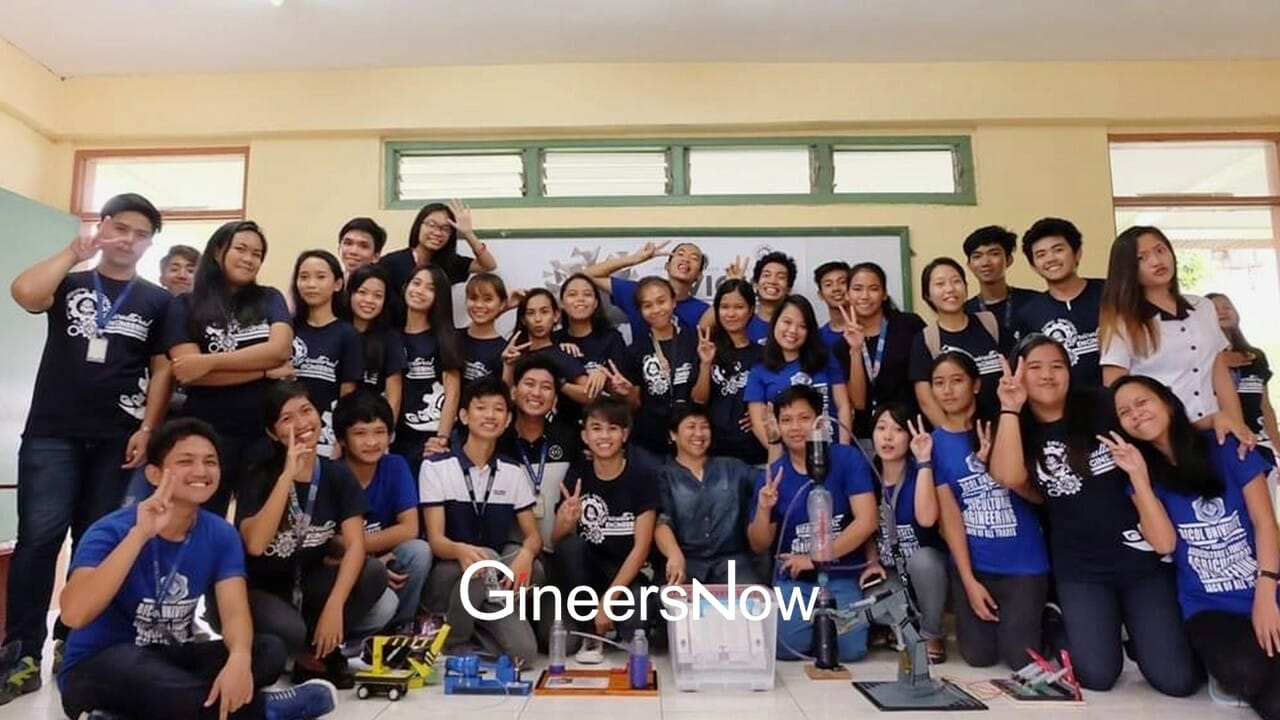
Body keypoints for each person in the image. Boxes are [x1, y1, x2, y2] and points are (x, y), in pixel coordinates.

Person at [2, 193, 174, 703]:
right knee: (38, 540)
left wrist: (149, 427)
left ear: (149, 243)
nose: (127, 240)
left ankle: (73, 642)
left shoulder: (156, 301)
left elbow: (162, 368)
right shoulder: (71, 281)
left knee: (94, 541)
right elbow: (24, 294)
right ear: (102, 227)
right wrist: (72, 254)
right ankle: (21, 652)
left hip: (117, 436)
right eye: (118, 228)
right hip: (52, 431)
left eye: (139, 234)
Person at [56, 418, 338, 720]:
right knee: (131, 667)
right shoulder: (110, 530)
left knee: (266, 651)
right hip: (100, 666)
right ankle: (262, 711)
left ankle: (132, 714)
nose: (201, 472)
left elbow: (234, 612)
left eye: (210, 462)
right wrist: (139, 536)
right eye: (185, 462)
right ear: (153, 474)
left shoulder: (219, 533)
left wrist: (240, 660)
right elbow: (74, 613)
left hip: (172, 657)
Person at [989, 336, 1201, 694]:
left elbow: (1156, 423)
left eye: (1057, 366)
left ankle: (1139, 634)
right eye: (1035, 367)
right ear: (1019, 374)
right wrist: (1010, 408)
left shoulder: (1101, 406)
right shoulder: (1018, 426)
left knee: (1178, 681)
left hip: (1140, 561)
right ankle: (1060, 622)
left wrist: (1220, 420)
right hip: (1081, 569)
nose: (1047, 375)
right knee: (1097, 676)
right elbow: (1009, 477)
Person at [1105, 375, 1278, 719]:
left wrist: (1266, 594)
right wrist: (1139, 477)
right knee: (1250, 672)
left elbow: (1266, 523)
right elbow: (1164, 543)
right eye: (1125, 412)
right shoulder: (1141, 478)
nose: (1136, 414)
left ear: (1167, 401)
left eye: (1142, 402)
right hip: (1208, 607)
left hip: (1266, 585)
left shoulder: (1226, 446)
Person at [236, 382, 388, 689]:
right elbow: (255, 545)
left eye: (307, 411)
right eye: (287, 418)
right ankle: (306, 654)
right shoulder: (259, 472)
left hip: (309, 583)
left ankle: (323, 652)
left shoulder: (336, 473)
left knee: (373, 573)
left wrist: (335, 607)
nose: (302, 423)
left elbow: (357, 545)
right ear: (272, 432)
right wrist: (287, 476)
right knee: (290, 630)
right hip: (262, 589)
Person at [928, 351, 1049, 670]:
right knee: (978, 658)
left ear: (976, 385)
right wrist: (968, 580)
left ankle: (1051, 616)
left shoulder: (1003, 425)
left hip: (1023, 565)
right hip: (976, 565)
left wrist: (997, 468)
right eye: (939, 383)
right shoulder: (933, 443)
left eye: (957, 381)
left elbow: (1039, 497)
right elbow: (949, 518)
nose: (948, 390)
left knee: (1020, 660)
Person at [164, 220, 294, 514]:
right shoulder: (185, 305)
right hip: (206, 434)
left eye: (257, 254)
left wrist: (209, 361)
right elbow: (188, 373)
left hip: (263, 434)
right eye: (241, 249)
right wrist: (262, 370)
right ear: (218, 251)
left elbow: (280, 349)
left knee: (257, 526)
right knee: (200, 520)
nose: (249, 259)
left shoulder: (270, 298)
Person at [747, 386, 878, 663]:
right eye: (786, 420)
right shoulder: (773, 475)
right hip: (794, 581)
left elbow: (867, 521)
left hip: (841, 576)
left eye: (804, 418)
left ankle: (826, 627)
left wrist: (813, 558)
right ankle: (811, 627)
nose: (796, 427)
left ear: (820, 419)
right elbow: (759, 543)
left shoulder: (847, 459)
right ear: (778, 426)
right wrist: (763, 508)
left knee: (851, 651)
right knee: (784, 647)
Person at [419, 377, 540, 664]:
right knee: (487, 558)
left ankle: (471, 629)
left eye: (498, 409)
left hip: (490, 577)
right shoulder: (437, 467)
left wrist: (526, 553)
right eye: (481, 408)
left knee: (525, 655)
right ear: (463, 415)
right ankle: (455, 640)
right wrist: (461, 551)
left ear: (508, 419)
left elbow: (533, 535)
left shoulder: (512, 472)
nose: (490, 415)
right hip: (448, 574)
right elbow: (436, 540)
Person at [1100, 225, 1254, 449]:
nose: (1156, 261)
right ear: (1128, 268)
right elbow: (1116, 390)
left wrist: (1237, 423)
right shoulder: (1121, 323)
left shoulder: (1203, 307)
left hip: (1217, 429)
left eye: (1160, 250)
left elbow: (1218, 369)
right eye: (1142, 257)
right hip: (1164, 441)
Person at [552, 397, 660, 663]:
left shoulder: (642, 476)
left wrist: (609, 601)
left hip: (626, 572)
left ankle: (607, 622)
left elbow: (641, 547)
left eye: (613, 428)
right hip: (586, 575)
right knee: (571, 545)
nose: (604, 436)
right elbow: (557, 542)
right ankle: (590, 632)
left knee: (634, 624)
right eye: (596, 428)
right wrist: (565, 520)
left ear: (624, 435)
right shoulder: (577, 475)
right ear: (585, 436)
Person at [334, 390, 433, 634]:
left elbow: (410, 528)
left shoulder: (395, 466)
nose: (372, 442)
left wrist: (360, 548)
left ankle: (400, 628)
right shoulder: (332, 475)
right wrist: (369, 564)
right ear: (342, 439)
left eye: (379, 432)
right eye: (360, 433)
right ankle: (354, 638)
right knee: (382, 605)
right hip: (342, 567)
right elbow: (329, 543)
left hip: (385, 557)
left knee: (418, 550)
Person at [858, 404, 949, 664]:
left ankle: (930, 633)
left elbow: (927, 517)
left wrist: (923, 463)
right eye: (881, 428)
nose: (887, 437)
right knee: (869, 605)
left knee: (924, 561)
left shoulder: (919, 470)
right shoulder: (867, 474)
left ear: (909, 436)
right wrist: (872, 560)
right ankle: (899, 626)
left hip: (925, 571)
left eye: (898, 430)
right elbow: (866, 527)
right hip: (891, 572)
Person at [655, 404, 764, 587]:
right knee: (670, 601)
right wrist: (674, 553)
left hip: (733, 563)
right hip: (687, 562)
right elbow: (662, 522)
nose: (699, 433)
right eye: (691, 427)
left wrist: (774, 442)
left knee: (751, 603)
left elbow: (770, 481)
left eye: (704, 427)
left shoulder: (733, 467)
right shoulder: (664, 476)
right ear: (673, 435)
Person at [746, 295, 853, 462]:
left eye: (802, 326)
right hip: (788, 461)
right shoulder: (759, 370)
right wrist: (785, 456)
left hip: (831, 453)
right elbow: (758, 422)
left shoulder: (825, 359)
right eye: (787, 322)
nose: (793, 331)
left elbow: (843, 405)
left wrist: (844, 450)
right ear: (775, 323)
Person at [497, 356, 583, 556]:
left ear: (554, 399)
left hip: (560, 545)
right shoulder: (498, 440)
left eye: (546, 387)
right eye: (529, 384)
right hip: (512, 552)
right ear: (513, 391)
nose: (536, 393)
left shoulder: (569, 438)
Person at [834, 262, 927, 445]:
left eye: (873, 289)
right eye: (857, 289)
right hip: (868, 437)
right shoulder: (841, 344)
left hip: (912, 431)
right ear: (848, 295)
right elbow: (859, 403)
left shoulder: (910, 325)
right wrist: (855, 349)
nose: (865, 296)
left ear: (884, 294)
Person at [909, 258, 1005, 428]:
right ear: (927, 295)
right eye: (940, 284)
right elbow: (926, 401)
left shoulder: (990, 324)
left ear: (966, 288)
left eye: (956, 281)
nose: (950, 289)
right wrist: (955, 438)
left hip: (1001, 429)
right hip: (959, 437)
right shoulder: (925, 339)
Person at [1011, 217, 1105, 389]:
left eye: (1058, 250)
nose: (1051, 258)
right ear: (1033, 266)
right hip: (1064, 409)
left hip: (1117, 403)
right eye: (1041, 255)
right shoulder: (1029, 314)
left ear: (1077, 253)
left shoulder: (1109, 293)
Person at [612, 277, 701, 456]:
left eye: (661, 301)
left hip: (692, 436)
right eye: (648, 305)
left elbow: (702, 397)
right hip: (649, 440)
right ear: (640, 311)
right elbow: (634, 404)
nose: (656, 310)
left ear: (673, 302)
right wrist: (627, 392)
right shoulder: (636, 349)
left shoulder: (694, 341)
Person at [288, 250, 362, 458]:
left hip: (325, 436)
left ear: (337, 284)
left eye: (320, 277)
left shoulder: (347, 334)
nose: (311, 284)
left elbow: (347, 393)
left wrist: (341, 439)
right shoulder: (286, 328)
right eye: (304, 277)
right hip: (286, 432)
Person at [394, 265, 463, 474]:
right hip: (399, 436)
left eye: (430, 288)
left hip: (432, 435)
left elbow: (453, 393)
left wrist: (442, 438)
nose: (420, 291)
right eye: (416, 283)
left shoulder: (444, 337)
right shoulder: (392, 336)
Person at [691, 279, 767, 465]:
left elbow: (775, 395)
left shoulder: (763, 354)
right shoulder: (706, 349)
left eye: (739, 307)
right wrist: (706, 364)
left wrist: (762, 415)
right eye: (724, 307)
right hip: (713, 455)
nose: (731, 314)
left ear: (750, 310)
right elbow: (698, 400)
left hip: (755, 454)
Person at [1208, 292, 1279, 466]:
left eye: (1227, 306)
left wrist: (1277, 448)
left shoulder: (1256, 356)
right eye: (1214, 309)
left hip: (1261, 445)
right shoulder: (1199, 361)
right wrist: (1217, 362)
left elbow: (1265, 407)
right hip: (1223, 446)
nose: (1222, 312)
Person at [582, 240, 709, 333]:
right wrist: (635, 259)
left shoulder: (704, 311)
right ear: (667, 266)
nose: (686, 259)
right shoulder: (638, 292)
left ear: (699, 275)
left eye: (694, 258)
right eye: (680, 254)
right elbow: (588, 274)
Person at [377, 200, 496, 294]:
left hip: (439, 324)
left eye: (445, 229)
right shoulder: (392, 262)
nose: (437, 233)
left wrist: (468, 233)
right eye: (431, 225)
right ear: (418, 226)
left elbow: (488, 265)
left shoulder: (450, 263)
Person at [345, 264, 405, 419]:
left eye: (378, 296)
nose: (369, 300)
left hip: (372, 426)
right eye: (362, 292)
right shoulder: (338, 331)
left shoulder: (391, 339)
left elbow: (394, 396)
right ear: (350, 293)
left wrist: (386, 433)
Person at [962, 225, 1039, 338]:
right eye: (977, 256)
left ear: (1009, 260)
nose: (985, 263)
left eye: (994, 254)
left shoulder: (1033, 302)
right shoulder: (964, 311)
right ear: (969, 265)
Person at [554, 272, 628, 380]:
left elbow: (625, 387)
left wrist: (605, 375)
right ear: (562, 303)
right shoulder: (553, 340)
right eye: (572, 294)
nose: (580, 299)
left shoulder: (612, 338)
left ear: (596, 303)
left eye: (587, 294)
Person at [462, 272, 516, 387]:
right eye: (473, 298)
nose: (479, 305)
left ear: (502, 303)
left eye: (488, 299)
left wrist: (508, 366)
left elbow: (504, 394)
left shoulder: (504, 350)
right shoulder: (452, 337)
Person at [745, 251, 798, 343]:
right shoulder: (742, 323)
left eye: (781, 277)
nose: (772, 281)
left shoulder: (795, 328)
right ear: (756, 284)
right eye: (766, 275)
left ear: (789, 288)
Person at [814, 260, 852, 352]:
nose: (836, 288)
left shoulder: (869, 327)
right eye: (828, 284)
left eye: (842, 282)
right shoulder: (818, 338)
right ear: (820, 294)